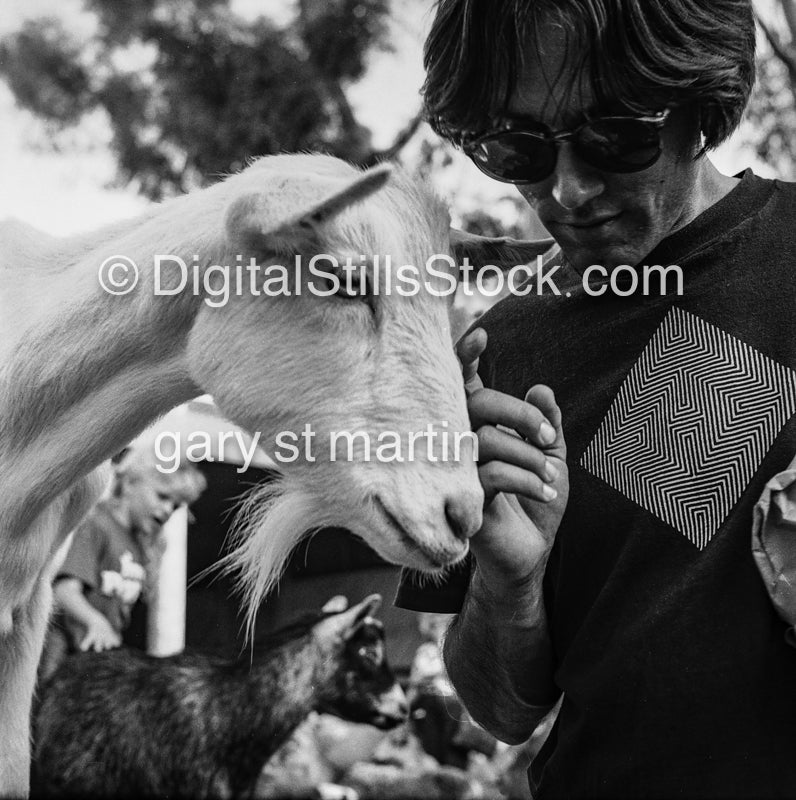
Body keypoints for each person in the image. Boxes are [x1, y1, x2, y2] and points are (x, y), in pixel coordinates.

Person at [395, 1, 796, 797]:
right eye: (518, 147)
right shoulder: (498, 355)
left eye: (617, 135)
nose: (569, 189)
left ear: (700, 106)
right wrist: (509, 585)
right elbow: (502, 710)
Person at [39, 447, 206, 680]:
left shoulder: (139, 546)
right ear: (129, 485)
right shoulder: (97, 526)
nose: (168, 510)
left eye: (176, 506)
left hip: (95, 653)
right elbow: (64, 591)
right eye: (162, 496)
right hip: (64, 651)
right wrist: (95, 622)